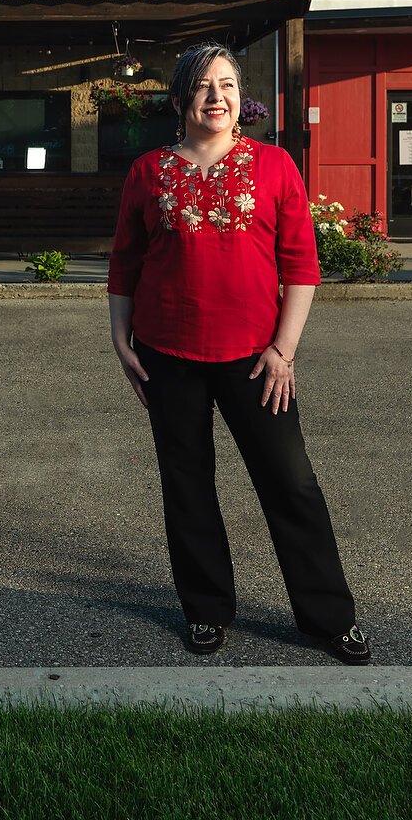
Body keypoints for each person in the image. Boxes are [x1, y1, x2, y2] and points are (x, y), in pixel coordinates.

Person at [107, 42, 370, 663]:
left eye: (226, 84)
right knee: (187, 484)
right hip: (167, 354)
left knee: (291, 483)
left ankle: (329, 617)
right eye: (202, 85)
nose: (216, 96)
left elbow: (301, 266)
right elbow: (125, 262)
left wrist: (285, 350)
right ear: (180, 98)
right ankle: (205, 609)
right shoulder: (147, 172)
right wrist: (120, 339)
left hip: (258, 360)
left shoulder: (274, 165)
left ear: (240, 97)